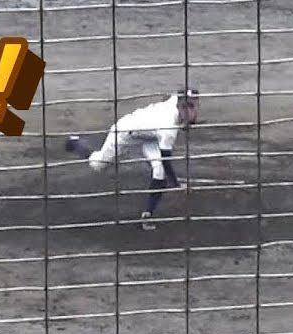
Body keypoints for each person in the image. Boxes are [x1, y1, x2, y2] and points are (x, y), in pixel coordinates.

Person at [65, 88, 200, 229]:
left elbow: (172, 97)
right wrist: (176, 185)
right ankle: (75, 142)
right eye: (189, 106)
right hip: (125, 132)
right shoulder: (168, 128)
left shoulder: (175, 100)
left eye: (195, 105)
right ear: (181, 106)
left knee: (159, 172)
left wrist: (185, 119)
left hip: (151, 136)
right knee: (98, 164)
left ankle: (147, 215)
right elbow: (167, 161)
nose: (194, 110)